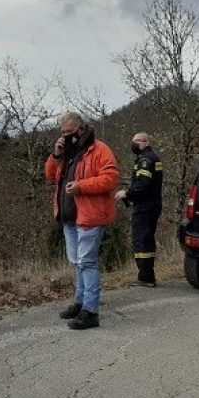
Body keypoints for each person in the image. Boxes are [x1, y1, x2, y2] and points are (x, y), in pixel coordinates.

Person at [44, 112, 118, 330]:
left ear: (81, 128)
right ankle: (80, 302)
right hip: (69, 217)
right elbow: (50, 176)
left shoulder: (100, 149)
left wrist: (81, 186)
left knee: (87, 262)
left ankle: (91, 310)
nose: (66, 136)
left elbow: (111, 178)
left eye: (69, 132)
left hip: (91, 216)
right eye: (63, 133)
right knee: (78, 263)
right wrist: (56, 155)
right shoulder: (66, 151)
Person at [116, 133, 163, 287]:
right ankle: (146, 275)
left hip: (145, 207)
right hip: (149, 205)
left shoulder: (146, 159)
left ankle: (146, 276)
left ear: (145, 142)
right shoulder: (148, 157)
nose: (133, 144)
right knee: (145, 239)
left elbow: (143, 184)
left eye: (136, 141)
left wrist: (127, 193)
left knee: (142, 240)